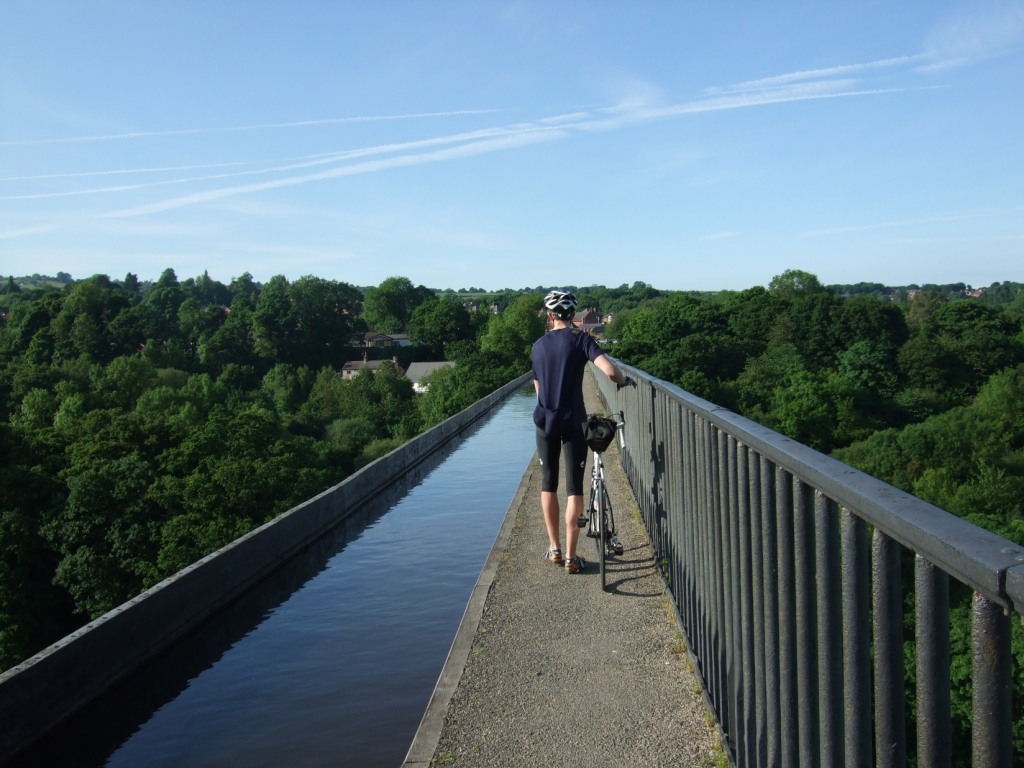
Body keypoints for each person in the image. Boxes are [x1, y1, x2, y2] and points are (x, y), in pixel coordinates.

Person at [531, 289, 630, 574]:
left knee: (548, 483)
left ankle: (554, 548)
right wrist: (622, 381)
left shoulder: (538, 346)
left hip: (545, 422)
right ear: (572, 315)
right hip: (574, 422)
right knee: (574, 487)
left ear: (550, 316)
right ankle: (571, 557)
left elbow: (538, 388)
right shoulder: (581, 339)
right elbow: (609, 370)